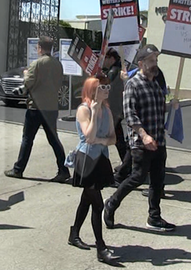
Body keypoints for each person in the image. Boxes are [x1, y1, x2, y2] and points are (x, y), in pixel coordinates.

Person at [103, 44, 176, 232]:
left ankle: (154, 217)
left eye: (156, 60)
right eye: (151, 60)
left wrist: (171, 106)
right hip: (142, 143)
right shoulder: (132, 85)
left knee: (158, 180)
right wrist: (144, 137)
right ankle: (111, 204)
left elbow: (157, 110)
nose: (155, 64)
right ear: (141, 63)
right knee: (137, 177)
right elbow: (130, 116)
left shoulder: (155, 85)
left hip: (158, 141)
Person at [5, 36, 69, 182]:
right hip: (52, 107)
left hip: (36, 108)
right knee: (54, 140)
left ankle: (18, 169)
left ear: (39, 47)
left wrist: (26, 76)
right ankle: (63, 170)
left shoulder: (36, 64)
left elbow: (27, 84)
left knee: (27, 139)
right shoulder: (58, 64)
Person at [68, 75, 118, 265]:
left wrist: (103, 140)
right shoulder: (84, 109)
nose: (106, 90)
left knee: (87, 200)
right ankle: (101, 247)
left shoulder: (107, 110)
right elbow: (88, 137)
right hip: (87, 160)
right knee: (97, 204)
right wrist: (95, 113)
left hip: (101, 159)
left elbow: (113, 138)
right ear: (92, 90)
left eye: (107, 87)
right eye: (101, 87)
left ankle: (74, 234)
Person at [102, 49, 126, 161]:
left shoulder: (113, 72)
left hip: (113, 109)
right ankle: (126, 163)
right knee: (118, 137)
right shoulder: (116, 70)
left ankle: (127, 164)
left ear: (112, 59)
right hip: (116, 109)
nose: (104, 60)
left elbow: (106, 86)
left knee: (115, 138)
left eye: (106, 58)